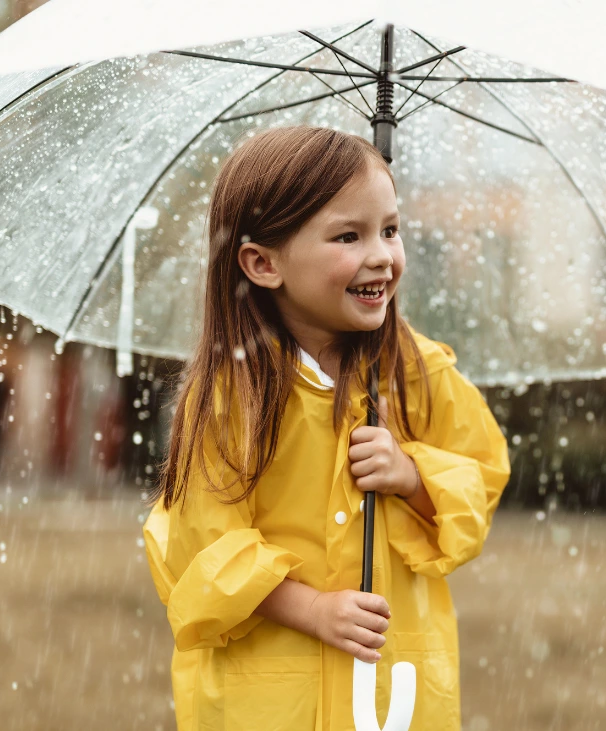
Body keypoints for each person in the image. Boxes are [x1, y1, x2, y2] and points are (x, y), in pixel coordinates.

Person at [142, 126, 511, 730]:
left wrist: (413, 476)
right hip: (270, 699)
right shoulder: (233, 398)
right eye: (349, 235)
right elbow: (202, 550)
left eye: (390, 229)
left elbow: (483, 474)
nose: (381, 257)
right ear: (263, 264)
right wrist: (313, 609)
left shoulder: (417, 372)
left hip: (391, 692)